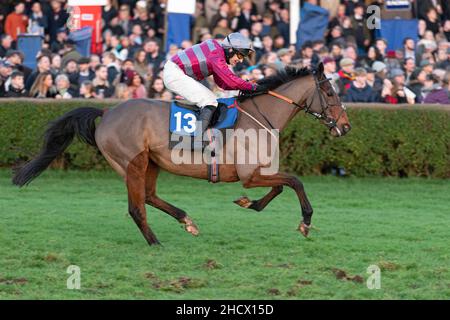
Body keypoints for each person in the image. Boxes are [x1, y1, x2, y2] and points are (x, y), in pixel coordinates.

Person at [163, 32, 257, 135]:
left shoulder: (217, 51)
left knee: (210, 99)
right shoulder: (216, 54)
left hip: (175, 71)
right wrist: (251, 87)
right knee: (210, 101)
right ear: (230, 49)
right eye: (239, 55)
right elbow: (230, 79)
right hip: (175, 73)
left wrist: (244, 87)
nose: (240, 60)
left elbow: (222, 83)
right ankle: (196, 138)